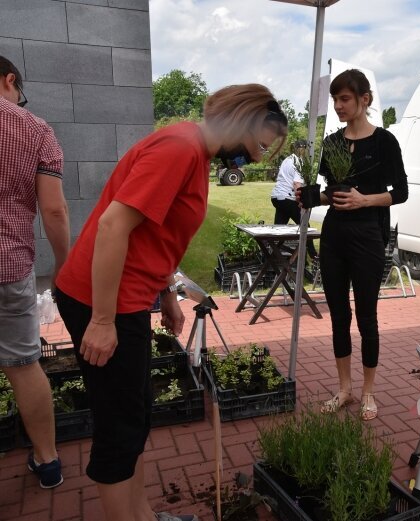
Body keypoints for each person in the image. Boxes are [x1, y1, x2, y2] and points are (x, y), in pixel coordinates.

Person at [54, 85, 288, 521]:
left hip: (128, 299)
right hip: (102, 301)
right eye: (259, 146)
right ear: (243, 120)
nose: (256, 160)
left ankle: (142, 515)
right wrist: (103, 321)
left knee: (137, 415)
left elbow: (156, 234)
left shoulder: (194, 153)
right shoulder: (180, 147)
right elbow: (111, 227)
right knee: (119, 427)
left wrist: (166, 293)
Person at [308, 69, 408, 421]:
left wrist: (365, 201)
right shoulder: (332, 143)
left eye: (345, 99)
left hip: (368, 235)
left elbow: (401, 193)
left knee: (367, 316)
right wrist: (311, 197)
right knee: (338, 315)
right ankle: (344, 389)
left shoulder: (385, 142)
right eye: (335, 99)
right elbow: (331, 193)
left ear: (364, 99)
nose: (338, 105)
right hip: (334, 236)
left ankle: (368, 392)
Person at [0, 56, 69, 489]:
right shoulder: (34, 128)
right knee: (25, 364)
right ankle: (47, 462)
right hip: (8, 263)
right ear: (9, 81)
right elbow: (54, 209)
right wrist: (62, 266)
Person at [271, 139, 317, 259]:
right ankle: (313, 256)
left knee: (279, 229)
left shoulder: (288, 159)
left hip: (277, 197)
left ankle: (273, 257)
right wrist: (303, 201)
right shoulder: (299, 162)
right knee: (305, 226)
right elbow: (297, 184)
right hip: (287, 197)